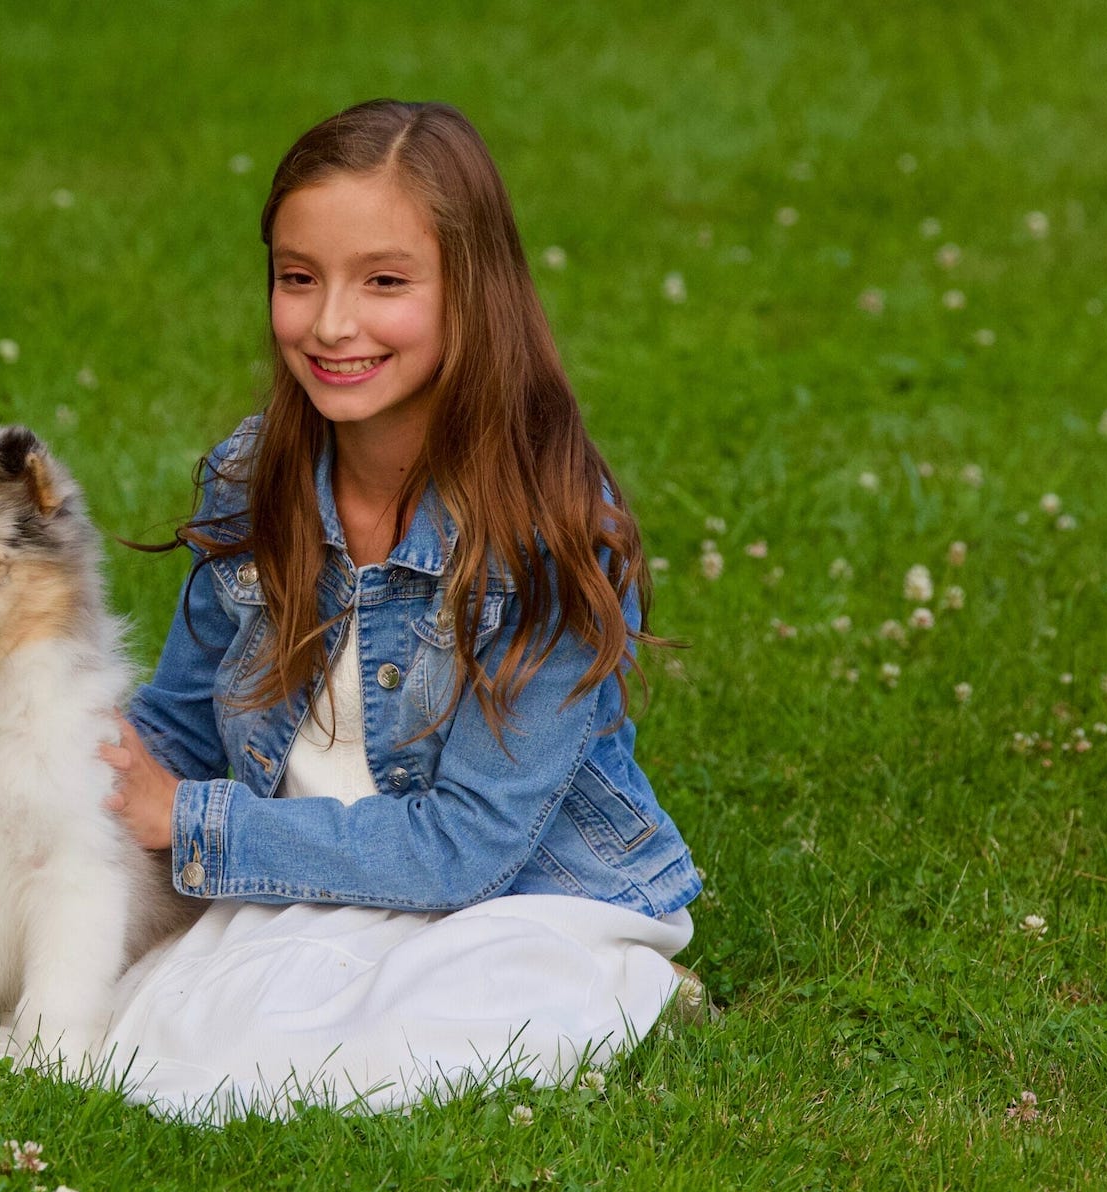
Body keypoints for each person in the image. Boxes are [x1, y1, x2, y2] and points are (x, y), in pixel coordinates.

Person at [95, 100, 704, 1118]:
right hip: (309, 871)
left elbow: (465, 850)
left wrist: (193, 823)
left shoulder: (545, 526)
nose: (333, 323)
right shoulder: (254, 481)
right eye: (300, 278)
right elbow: (182, 726)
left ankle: (634, 984)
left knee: (383, 1044)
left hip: (516, 898)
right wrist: (76, 756)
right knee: (167, 1018)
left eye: (385, 281)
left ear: (475, 294)